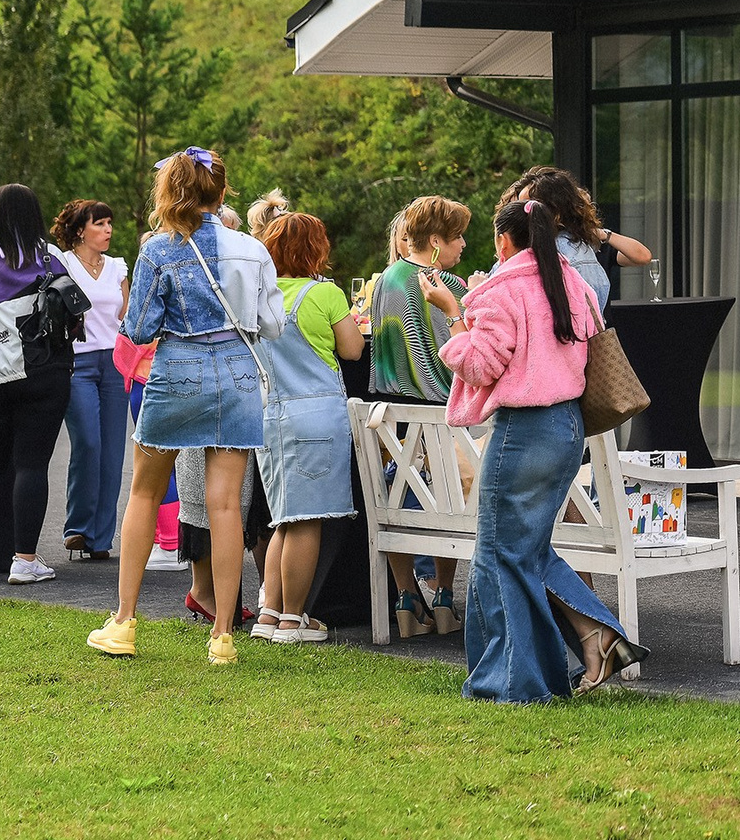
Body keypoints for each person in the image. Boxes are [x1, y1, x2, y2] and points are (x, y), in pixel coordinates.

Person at [427, 198, 642, 699]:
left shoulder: (499, 292)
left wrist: (454, 314)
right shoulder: (572, 282)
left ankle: (512, 682)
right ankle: (594, 640)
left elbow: (479, 366)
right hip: (568, 429)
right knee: (524, 552)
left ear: (504, 241)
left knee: (498, 556)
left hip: (523, 433)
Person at [87, 149, 284, 664]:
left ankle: (125, 621)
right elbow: (273, 325)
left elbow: (141, 328)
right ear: (222, 193)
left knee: (145, 493)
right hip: (239, 377)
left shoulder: (158, 250)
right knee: (225, 505)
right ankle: (222, 635)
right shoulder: (252, 249)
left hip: (179, 373)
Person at [0, 185, 75, 586]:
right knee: (31, 465)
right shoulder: (49, 258)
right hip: (44, 377)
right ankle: (25, 559)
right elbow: (75, 317)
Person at [250, 209, 362, 644]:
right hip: (315, 415)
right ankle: (294, 619)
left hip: (268, 415)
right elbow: (352, 349)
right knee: (307, 520)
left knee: (283, 519)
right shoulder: (324, 295)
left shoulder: (259, 295)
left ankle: (270, 613)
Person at [366, 194, 472, 637]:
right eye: (458, 236)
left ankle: (407, 598)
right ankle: (444, 597)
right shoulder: (444, 284)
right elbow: (470, 349)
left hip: (391, 421)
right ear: (434, 241)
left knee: (396, 504)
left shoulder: (384, 280)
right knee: (451, 500)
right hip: (441, 422)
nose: (463, 244)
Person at [53, 199, 130, 563]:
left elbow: (127, 318)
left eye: (110, 223)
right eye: (100, 223)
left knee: (114, 452)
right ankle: (78, 528)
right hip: (78, 364)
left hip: (115, 364)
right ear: (80, 230)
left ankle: (100, 538)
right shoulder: (63, 263)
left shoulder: (117, 267)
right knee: (88, 442)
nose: (108, 230)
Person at [505, 166, 651, 313]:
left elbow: (642, 256)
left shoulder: (590, 247)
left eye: (528, 207)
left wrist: (602, 234)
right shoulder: (576, 248)